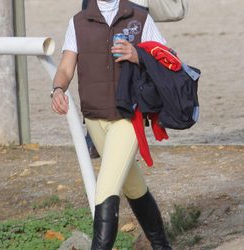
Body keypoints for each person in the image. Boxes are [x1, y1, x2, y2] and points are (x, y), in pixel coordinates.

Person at [51, 0, 172, 249]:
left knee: (105, 189)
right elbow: (65, 66)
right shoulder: (78, 22)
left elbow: (166, 60)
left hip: (128, 118)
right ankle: (163, 246)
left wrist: (138, 55)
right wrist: (57, 89)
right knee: (133, 185)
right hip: (94, 120)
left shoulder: (139, 17)